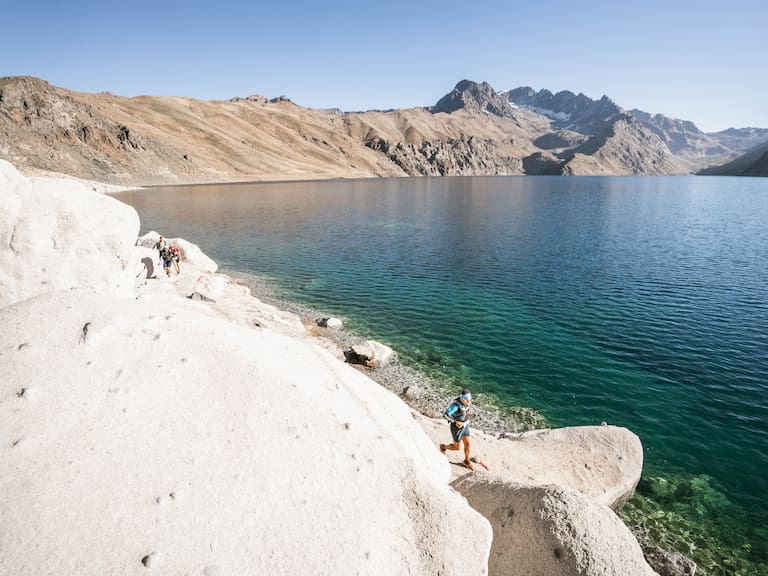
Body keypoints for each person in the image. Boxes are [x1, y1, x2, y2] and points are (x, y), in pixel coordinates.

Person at [439, 389, 474, 469]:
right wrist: (455, 422)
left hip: (465, 426)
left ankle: (466, 461)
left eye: (470, 400)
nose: (468, 402)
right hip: (456, 429)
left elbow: (466, 412)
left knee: (468, 444)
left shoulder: (467, 402)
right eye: (466, 400)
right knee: (457, 447)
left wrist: (470, 413)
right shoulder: (455, 406)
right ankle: (443, 447)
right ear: (462, 398)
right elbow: (445, 415)